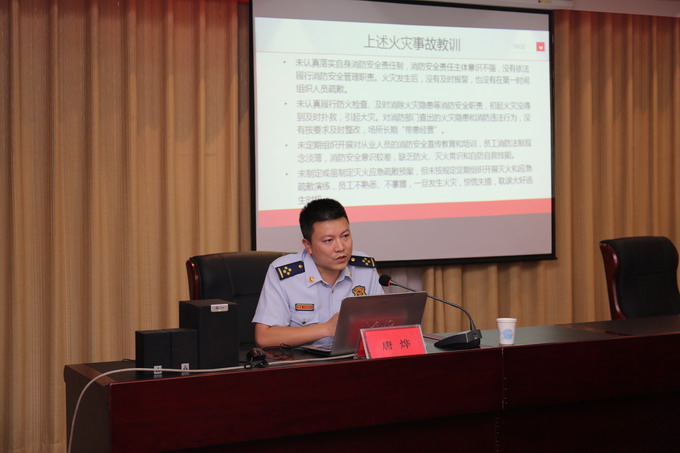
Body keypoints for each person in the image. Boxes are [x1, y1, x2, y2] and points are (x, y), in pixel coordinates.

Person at [252, 198, 383, 348]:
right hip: (303, 361)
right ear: (308, 245)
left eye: (345, 236)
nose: (341, 247)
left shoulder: (364, 268)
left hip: (354, 358)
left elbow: (385, 323)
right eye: (328, 240)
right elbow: (264, 337)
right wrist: (325, 329)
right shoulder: (284, 274)